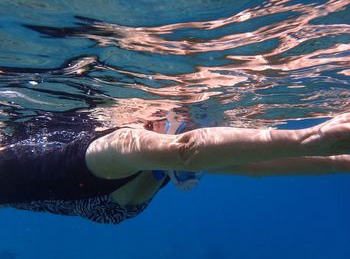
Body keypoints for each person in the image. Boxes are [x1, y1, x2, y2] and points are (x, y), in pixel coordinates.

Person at [1, 110, 350, 224]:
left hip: (114, 200)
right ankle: (314, 138)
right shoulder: (31, 162)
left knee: (199, 155)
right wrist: (312, 137)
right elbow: (185, 150)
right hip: (93, 191)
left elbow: (255, 166)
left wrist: (340, 163)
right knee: (175, 151)